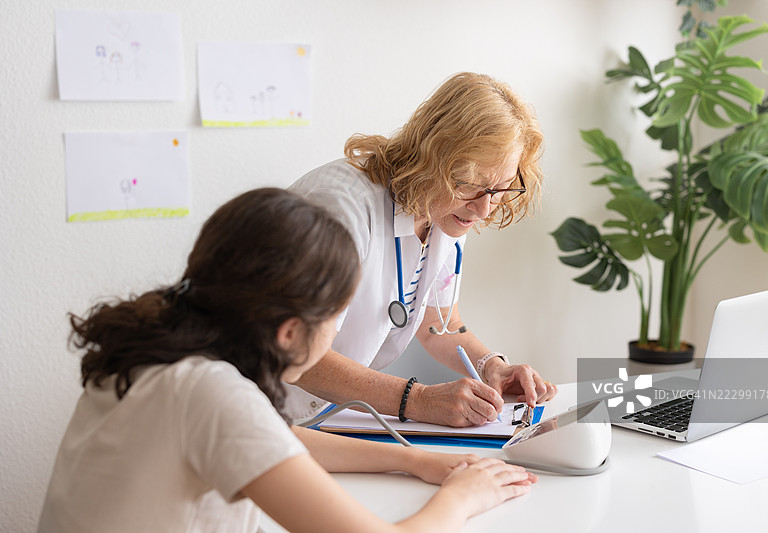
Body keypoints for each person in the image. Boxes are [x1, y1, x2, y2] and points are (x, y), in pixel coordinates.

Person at [38, 188, 535, 533]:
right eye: (336, 322)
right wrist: (464, 497)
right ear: (291, 331)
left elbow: (273, 440)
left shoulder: (161, 352)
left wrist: (413, 459)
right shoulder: (211, 394)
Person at [286, 72, 558, 426]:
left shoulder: (447, 208)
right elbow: (296, 352)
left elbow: (438, 322)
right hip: (247, 404)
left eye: (500, 189)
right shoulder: (340, 209)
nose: (484, 209)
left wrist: (492, 365)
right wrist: (419, 400)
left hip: (322, 416)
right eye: (471, 186)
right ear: (433, 156)